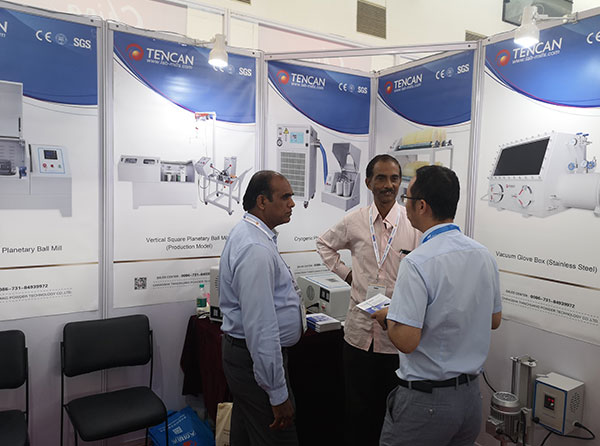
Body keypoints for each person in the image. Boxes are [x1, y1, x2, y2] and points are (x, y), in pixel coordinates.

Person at [374, 165, 502, 446]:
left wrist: (388, 317)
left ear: (421, 206)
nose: (404, 204)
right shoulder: (483, 255)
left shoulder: (417, 262)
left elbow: (407, 341)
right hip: (470, 400)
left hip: (426, 403)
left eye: (406, 198)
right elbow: (494, 320)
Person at [316, 154, 420, 446]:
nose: (388, 185)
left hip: (395, 338)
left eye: (394, 179)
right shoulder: (355, 220)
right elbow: (324, 244)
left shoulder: (412, 225)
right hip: (359, 336)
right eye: (381, 178)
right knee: (358, 413)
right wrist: (348, 275)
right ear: (368, 182)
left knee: (394, 413)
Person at [219, 170, 302, 446]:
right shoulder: (255, 248)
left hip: (246, 356)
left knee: (247, 432)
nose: (292, 203)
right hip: (254, 360)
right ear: (262, 201)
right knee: (277, 436)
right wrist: (277, 395)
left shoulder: (253, 234)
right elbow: (261, 328)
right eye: (285, 196)